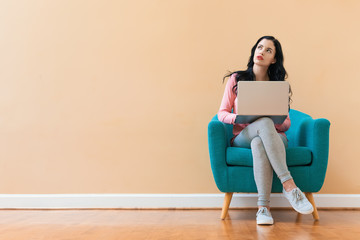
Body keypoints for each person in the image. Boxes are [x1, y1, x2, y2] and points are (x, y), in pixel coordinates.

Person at [217, 36, 314, 225]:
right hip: (242, 136)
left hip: (273, 136)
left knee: (260, 138)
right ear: (254, 51)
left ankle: (263, 209)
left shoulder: (278, 85)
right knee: (261, 125)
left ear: (274, 59)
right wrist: (238, 118)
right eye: (259, 47)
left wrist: (273, 121)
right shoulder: (237, 79)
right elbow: (221, 113)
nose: (261, 52)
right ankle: (289, 186)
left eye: (268, 50)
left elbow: (286, 124)